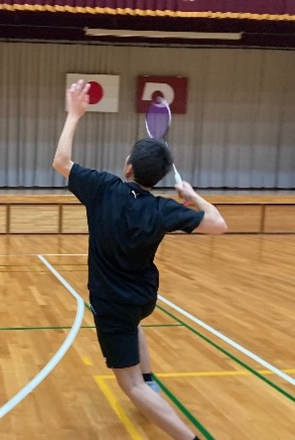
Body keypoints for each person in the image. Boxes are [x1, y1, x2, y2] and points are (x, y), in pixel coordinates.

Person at [53, 80, 227, 440]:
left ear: (128, 167)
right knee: (135, 326)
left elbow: (61, 162)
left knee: (129, 385)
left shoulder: (103, 188)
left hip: (113, 304)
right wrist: (194, 196)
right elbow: (218, 224)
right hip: (143, 298)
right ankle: (151, 381)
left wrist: (74, 115)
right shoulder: (162, 209)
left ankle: (186, 435)